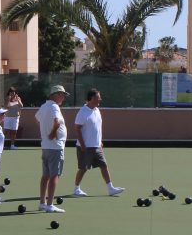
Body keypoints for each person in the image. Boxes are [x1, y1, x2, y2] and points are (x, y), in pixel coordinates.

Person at [73, 89, 126, 197]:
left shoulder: (97, 110)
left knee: (104, 165)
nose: (100, 99)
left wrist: (100, 141)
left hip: (97, 146)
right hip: (85, 147)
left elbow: (97, 127)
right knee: (83, 168)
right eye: (98, 97)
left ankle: (110, 188)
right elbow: (77, 129)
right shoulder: (82, 112)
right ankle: (76, 189)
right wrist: (82, 145)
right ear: (92, 98)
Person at [35, 85, 68, 213]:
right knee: (54, 176)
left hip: (46, 147)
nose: (63, 98)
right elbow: (57, 121)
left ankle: (42, 202)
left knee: (46, 175)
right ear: (56, 94)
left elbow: (37, 119)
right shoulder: (54, 107)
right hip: (55, 147)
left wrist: (46, 131)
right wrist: (53, 133)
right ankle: (49, 205)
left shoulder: (44, 106)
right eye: (62, 95)